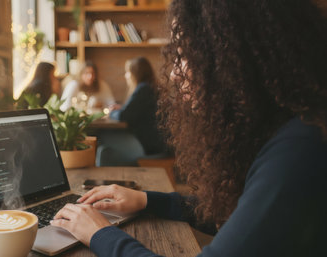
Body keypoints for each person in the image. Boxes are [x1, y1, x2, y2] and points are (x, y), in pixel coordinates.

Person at [50, 0, 327, 256]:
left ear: (233, 60)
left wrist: (101, 234)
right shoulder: (289, 132)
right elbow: (234, 216)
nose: (174, 72)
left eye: (185, 54)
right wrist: (147, 200)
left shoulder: (299, 152)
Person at [109, 57, 166, 155]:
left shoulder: (143, 89)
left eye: (128, 72)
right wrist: (122, 108)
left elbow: (124, 116)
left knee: (103, 138)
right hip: (158, 142)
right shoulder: (151, 87)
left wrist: (111, 113)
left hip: (150, 145)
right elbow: (136, 110)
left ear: (136, 73)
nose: (126, 76)